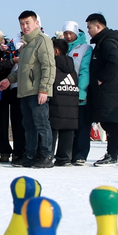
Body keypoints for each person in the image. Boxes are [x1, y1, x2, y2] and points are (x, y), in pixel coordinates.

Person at [0, 11, 56, 168]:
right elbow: (22, 70)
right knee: (28, 126)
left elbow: (49, 66)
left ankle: (46, 156)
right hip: (24, 92)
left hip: (37, 91)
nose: (25, 26)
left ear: (36, 23)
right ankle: (30, 155)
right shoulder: (25, 46)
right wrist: (8, 80)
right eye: (22, 24)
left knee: (42, 124)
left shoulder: (42, 41)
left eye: (27, 23)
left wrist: (44, 89)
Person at [86, 13, 118, 166]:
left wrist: (101, 78)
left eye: (90, 27)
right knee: (107, 122)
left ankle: (113, 154)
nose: (88, 31)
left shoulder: (108, 42)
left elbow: (115, 61)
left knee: (111, 123)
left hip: (110, 91)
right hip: (107, 91)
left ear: (98, 26)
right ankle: (112, 153)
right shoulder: (102, 42)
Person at [62, 21, 93, 165]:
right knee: (68, 127)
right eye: (65, 33)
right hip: (65, 93)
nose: (68, 36)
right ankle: (67, 154)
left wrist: (81, 92)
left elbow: (84, 71)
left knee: (82, 126)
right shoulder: (62, 48)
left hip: (79, 95)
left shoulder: (85, 48)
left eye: (71, 33)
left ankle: (80, 154)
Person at [49, 38, 79, 166]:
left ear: (55, 51)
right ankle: (64, 158)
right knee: (68, 129)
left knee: (52, 130)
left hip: (56, 105)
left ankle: (48, 155)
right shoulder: (72, 68)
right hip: (71, 107)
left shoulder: (53, 67)